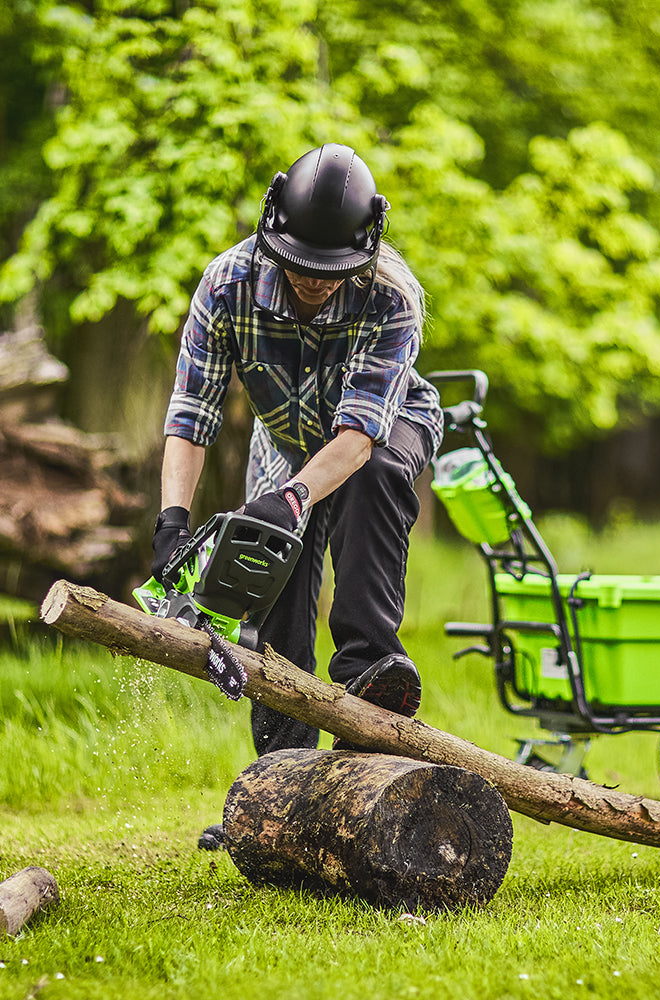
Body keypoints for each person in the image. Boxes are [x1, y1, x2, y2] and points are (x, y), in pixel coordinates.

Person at [151, 143, 444, 845]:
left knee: (370, 476)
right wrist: (171, 521)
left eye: (331, 271)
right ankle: (278, 794)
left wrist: (293, 499)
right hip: (282, 446)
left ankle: (369, 669)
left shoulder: (393, 296)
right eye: (302, 266)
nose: (315, 281)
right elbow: (192, 412)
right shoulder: (226, 284)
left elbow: (357, 436)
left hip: (381, 433)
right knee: (274, 599)